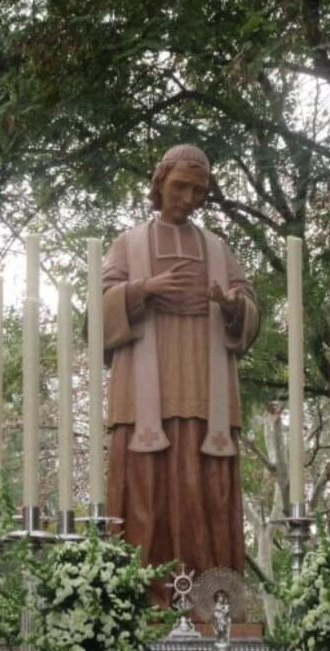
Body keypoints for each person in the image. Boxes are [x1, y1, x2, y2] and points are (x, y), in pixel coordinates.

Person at [101, 144, 259, 604]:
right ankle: (143, 597)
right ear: (159, 183)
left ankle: (214, 600)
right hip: (145, 390)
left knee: (202, 484)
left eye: (199, 190)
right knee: (146, 483)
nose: (189, 198)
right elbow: (99, 312)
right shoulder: (129, 244)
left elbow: (248, 307)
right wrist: (145, 290)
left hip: (205, 389)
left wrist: (232, 306)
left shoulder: (216, 249)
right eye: (180, 187)